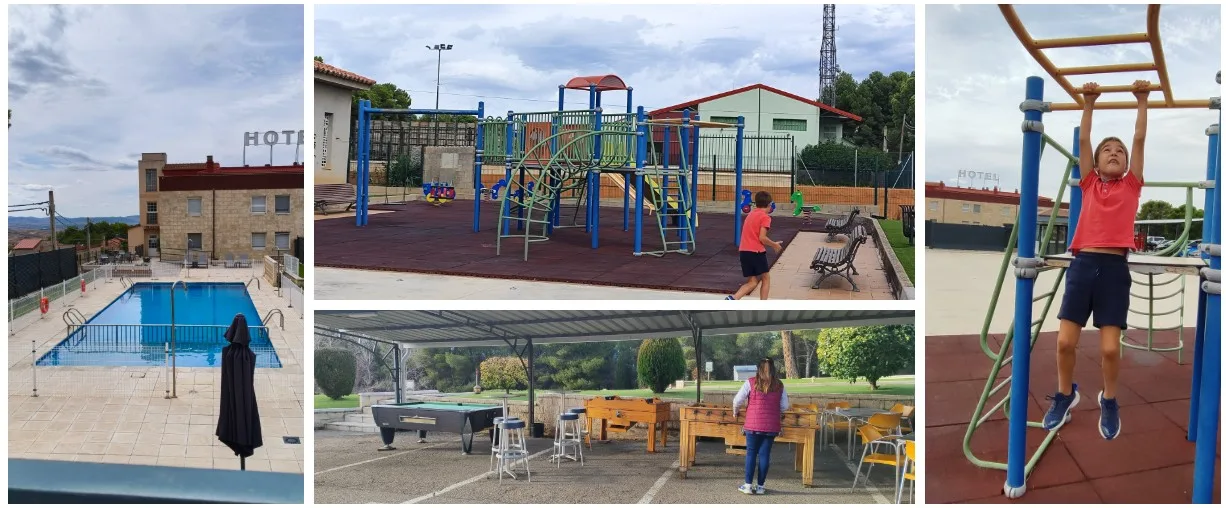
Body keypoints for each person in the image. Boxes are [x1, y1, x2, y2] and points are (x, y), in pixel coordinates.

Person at [1042, 80, 1149, 441]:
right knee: (1064, 342)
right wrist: (1088, 102)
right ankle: (1065, 393)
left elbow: (1139, 140)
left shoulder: (1132, 185)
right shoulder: (1088, 182)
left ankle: (1110, 399)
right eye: (1108, 150)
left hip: (1115, 270)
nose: (1115, 153)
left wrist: (1142, 100)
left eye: (1119, 151)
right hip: (1084, 265)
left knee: (1109, 347)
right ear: (1098, 162)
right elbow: (1085, 141)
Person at [732, 358, 790, 495]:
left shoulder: (751, 382)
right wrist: (776, 411)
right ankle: (760, 487)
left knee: (751, 453)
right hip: (771, 426)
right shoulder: (779, 385)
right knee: (764, 455)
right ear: (773, 368)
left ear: (758, 369)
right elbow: (785, 406)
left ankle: (747, 486)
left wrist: (735, 412)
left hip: (752, 425)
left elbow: (737, 400)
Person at [728, 191, 783, 300]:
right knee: (766, 278)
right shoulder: (765, 217)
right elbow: (762, 238)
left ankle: (732, 299)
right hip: (756, 252)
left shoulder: (751, 214)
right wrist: (774, 245)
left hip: (744, 251)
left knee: (752, 282)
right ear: (769, 205)